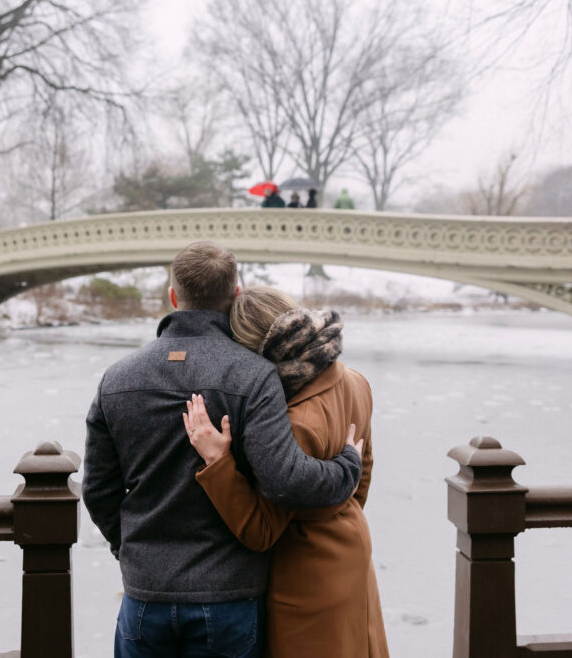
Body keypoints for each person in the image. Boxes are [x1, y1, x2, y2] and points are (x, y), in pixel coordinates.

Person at [82, 241, 363, 658]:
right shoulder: (254, 377)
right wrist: (347, 464)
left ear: (173, 296)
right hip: (227, 595)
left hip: (145, 595)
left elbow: (98, 491)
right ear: (234, 296)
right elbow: (285, 482)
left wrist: (133, 551)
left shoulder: (116, 379)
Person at [183, 285, 389, 658]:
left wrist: (218, 463)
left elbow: (260, 531)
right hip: (351, 552)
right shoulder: (356, 381)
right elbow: (362, 477)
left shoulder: (292, 423)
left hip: (305, 577)